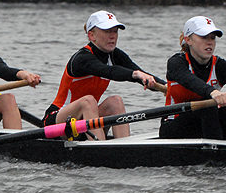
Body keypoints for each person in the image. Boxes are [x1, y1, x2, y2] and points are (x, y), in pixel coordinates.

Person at [43, 10, 162, 140]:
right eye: (107, 31)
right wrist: (136, 74)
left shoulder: (115, 55)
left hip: (87, 120)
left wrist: (169, 87)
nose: (112, 36)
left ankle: (124, 147)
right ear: (92, 35)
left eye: (115, 31)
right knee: (88, 101)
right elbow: (109, 71)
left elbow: (145, 76)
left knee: (115, 101)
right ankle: (99, 147)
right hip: (56, 121)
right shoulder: (82, 58)